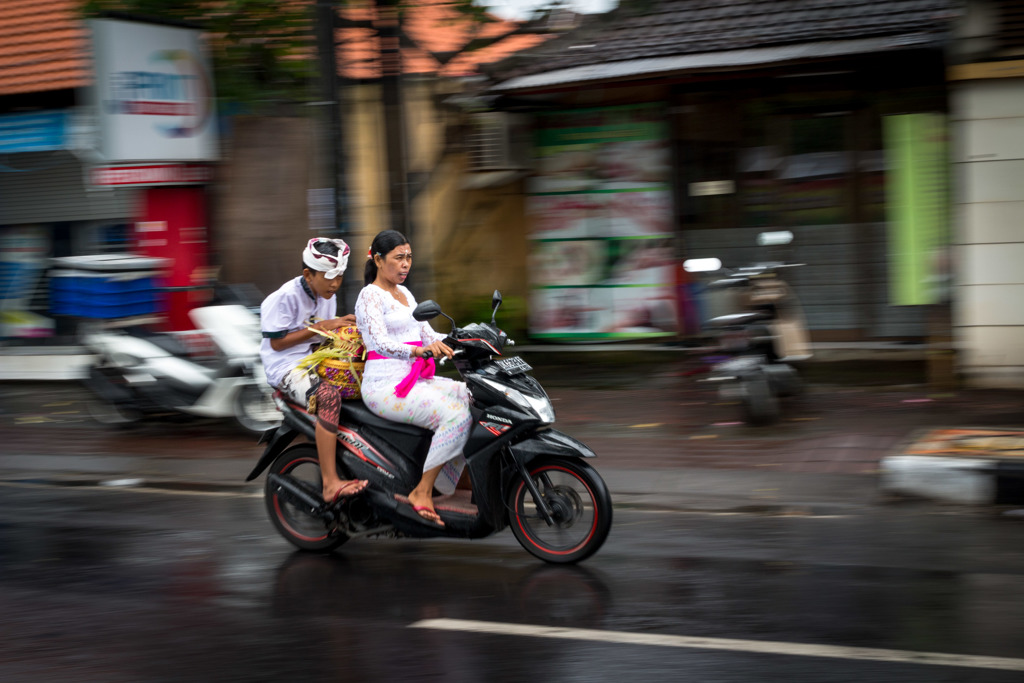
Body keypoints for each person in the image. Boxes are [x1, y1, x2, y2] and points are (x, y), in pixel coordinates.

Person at [354, 230, 472, 526]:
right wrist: (420, 351)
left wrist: (469, 338)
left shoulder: (405, 294)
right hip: (385, 388)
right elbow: (378, 343)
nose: (406, 264)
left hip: (414, 381)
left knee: (472, 397)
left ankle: (454, 482)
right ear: (379, 260)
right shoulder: (369, 296)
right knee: (456, 416)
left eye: (409, 258)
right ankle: (422, 491)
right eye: (399, 258)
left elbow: (428, 334)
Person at [259, 237, 368, 504]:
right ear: (308, 274)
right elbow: (277, 341)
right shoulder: (284, 297)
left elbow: (323, 335)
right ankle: (330, 483)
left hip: (313, 361)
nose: (335, 284)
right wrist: (327, 326)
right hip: (285, 367)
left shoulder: (326, 295)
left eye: (340, 276)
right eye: (329, 277)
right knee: (329, 398)